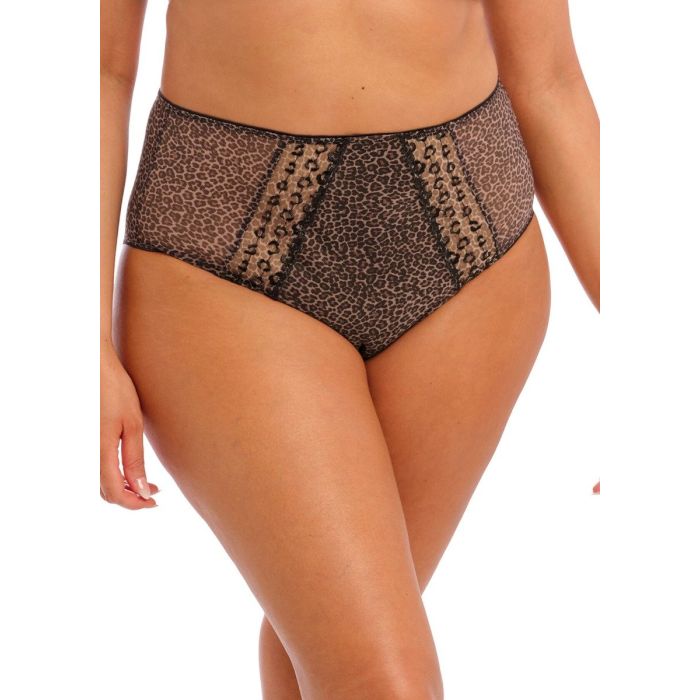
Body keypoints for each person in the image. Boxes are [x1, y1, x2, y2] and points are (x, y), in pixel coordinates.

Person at [100, 1, 599, 697]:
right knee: (382, 678)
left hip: (472, 244)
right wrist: (76, 338)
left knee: (326, 651)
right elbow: (99, 70)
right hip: (226, 248)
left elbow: (548, 78)